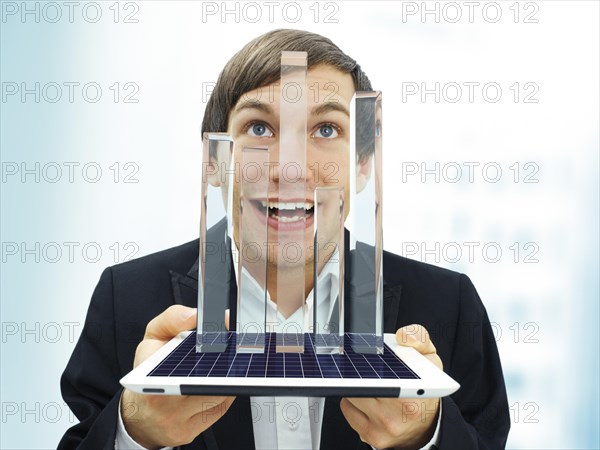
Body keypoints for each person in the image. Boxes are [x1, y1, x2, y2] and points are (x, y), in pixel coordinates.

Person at [59, 29, 510, 450]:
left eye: (326, 130)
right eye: (259, 128)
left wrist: (425, 435)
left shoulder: (448, 305)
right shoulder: (126, 298)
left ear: (363, 163)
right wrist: (134, 430)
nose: (291, 168)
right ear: (213, 162)